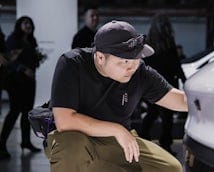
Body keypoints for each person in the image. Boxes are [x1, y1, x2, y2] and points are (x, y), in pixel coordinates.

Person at [46, 20, 187, 171]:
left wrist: (207, 102)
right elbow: (65, 121)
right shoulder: (72, 64)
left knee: (170, 168)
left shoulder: (139, 72)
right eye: (125, 61)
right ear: (100, 58)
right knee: (72, 149)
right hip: (76, 137)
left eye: (136, 58)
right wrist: (117, 130)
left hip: (116, 141)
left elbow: (179, 100)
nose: (131, 67)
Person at [141, 13, 186, 154]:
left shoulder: (148, 44)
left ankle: (143, 138)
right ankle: (165, 145)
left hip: (151, 85)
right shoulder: (169, 44)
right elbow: (176, 66)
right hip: (167, 85)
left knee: (152, 112)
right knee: (167, 118)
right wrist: (184, 80)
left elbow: (144, 64)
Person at [0, 16, 43, 159]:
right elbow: (9, 61)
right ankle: (1, 144)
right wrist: (23, 69)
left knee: (27, 113)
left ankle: (26, 142)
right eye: (25, 23)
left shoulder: (31, 41)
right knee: (14, 112)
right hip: (16, 82)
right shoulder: (13, 39)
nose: (28, 25)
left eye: (30, 23)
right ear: (19, 25)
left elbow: (32, 59)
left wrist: (37, 60)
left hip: (29, 83)